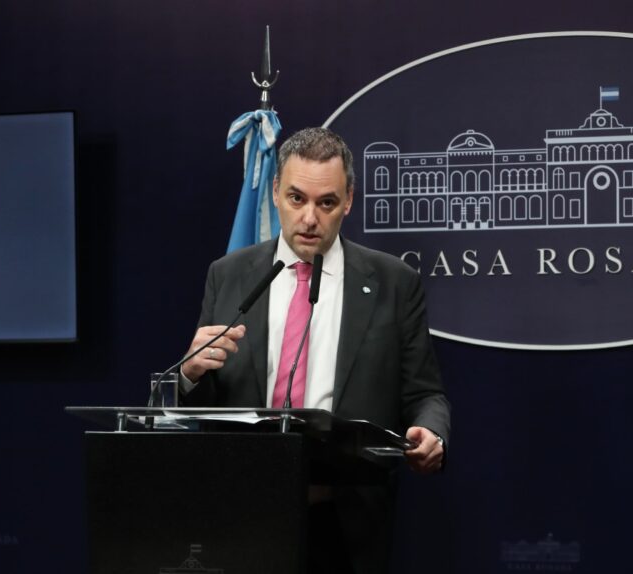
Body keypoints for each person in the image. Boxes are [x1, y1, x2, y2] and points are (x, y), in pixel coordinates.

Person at [180, 127, 451, 573]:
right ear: (274, 192)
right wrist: (190, 374)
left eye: (326, 203)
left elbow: (425, 393)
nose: (309, 218)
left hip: (347, 522)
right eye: (296, 198)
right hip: (243, 515)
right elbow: (204, 401)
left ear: (348, 201)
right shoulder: (228, 276)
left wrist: (432, 432)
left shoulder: (394, 283)